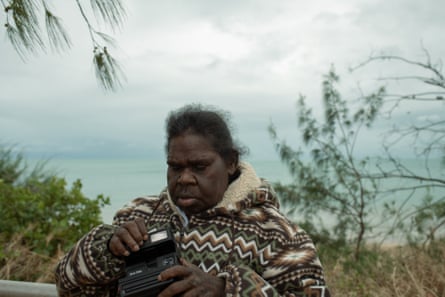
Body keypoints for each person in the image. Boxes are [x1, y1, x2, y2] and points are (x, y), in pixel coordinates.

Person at [55, 104, 331, 297]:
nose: (184, 179)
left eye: (199, 167)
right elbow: (67, 286)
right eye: (175, 167)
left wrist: (226, 290)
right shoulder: (137, 214)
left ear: (231, 163)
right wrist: (106, 248)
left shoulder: (278, 234)